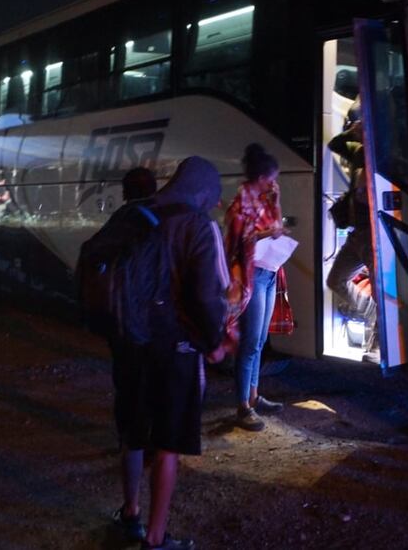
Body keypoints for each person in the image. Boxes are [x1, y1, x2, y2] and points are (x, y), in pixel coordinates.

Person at [107, 162, 228, 550]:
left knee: (133, 431)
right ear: (204, 192)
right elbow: (207, 296)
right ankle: (156, 539)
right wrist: (215, 343)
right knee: (168, 443)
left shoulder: (135, 212)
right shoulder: (196, 224)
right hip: (173, 346)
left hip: (129, 341)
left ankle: (130, 513)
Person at [224, 143, 287, 431]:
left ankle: (253, 395)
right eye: (269, 177)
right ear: (259, 177)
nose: (273, 183)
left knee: (260, 341)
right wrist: (266, 233)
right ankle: (242, 406)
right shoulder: (242, 200)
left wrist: (278, 202)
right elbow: (237, 238)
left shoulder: (266, 198)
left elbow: (276, 226)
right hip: (252, 275)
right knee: (249, 342)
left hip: (270, 271)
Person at [326, 105, 379, 363]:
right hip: (357, 233)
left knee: (383, 290)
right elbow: (335, 143)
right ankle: (370, 312)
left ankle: (378, 347)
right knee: (335, 280)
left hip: (374, 232)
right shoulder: (358, 152)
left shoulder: (385, 155)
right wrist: (352, 131)